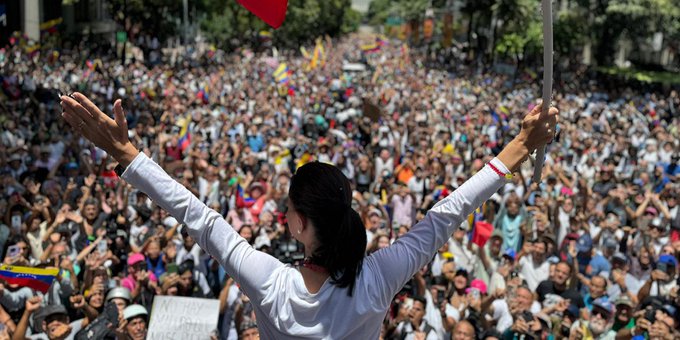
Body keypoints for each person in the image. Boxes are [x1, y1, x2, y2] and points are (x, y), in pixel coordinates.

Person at [60, 93, 557, 338]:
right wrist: (519, 145)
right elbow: (447, 214)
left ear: (298, 223)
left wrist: (128, 153)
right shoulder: (379, 279)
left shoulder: (269, 283)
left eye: (288, 208)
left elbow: (201, 218)